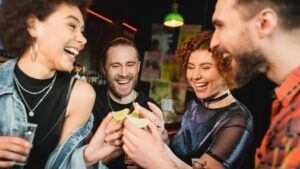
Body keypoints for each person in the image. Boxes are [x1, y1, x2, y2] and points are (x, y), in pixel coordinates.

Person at [0, 0, 122, 169]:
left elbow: (62, 166)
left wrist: (86, 159)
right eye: (72, 26)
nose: (83, 39)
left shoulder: (81, 95)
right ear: (33, 25)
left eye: (82, 31)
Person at [122, 30, 254, 169]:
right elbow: (180, 156)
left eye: (205, 67)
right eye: (191, 67)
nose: (195, 76)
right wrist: (161, 137)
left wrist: (153, 156)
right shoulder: (194, 105)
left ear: (226, 69)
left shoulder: (238, 119)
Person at [210, 0, 300, 168]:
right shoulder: (287, 100)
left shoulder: (295, 127)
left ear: (263, 23)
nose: (213, 42)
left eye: (220, 26)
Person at [92, 37, 164, 169]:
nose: (124, 73)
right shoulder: (90, 100)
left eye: (130, 65)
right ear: (104, 69)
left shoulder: (150, 109)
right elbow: (81, 161)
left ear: (138, 67)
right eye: (115, 66)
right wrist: (122, 146)